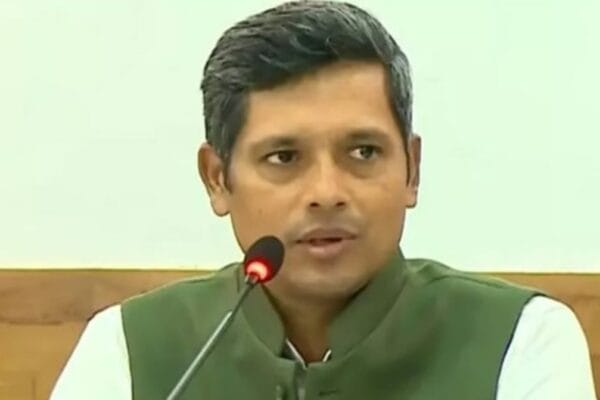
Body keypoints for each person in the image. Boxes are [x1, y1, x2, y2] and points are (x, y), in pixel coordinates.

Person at [50, 1, 597, 399]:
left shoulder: (522, 340)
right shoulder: (127, 348)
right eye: (284, 157)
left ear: (412, 170)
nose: (327, 193)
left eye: (363, 152)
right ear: (217, 179)